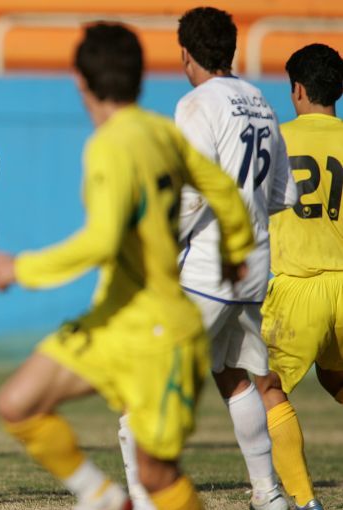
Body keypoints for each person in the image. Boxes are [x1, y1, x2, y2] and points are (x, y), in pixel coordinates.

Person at [0, 22, 254, 510]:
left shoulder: (110, 144)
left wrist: (20, 270)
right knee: (17, 403)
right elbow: (222, 189)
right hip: (117, 319)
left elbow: (102, 240)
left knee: (156, 473)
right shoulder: (161, 130)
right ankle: (104, 498)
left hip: (161, 336)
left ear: (80, 80)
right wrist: (235, 250)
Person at [118, 7, 296, 510]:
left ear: (185, 53)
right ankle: (268, 494)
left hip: (208, 269)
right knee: (235, 377)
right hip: (254, 267)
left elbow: (193, 192)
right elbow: (284, 193)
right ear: (231, 49)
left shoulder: (197, 103)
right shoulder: (260, 101)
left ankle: (144, 500)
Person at [254, 43, 343, 510]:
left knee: (265, 388)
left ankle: (305, 501)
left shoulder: (276, 140)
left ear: (299, 90)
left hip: (296, 288)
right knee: (335, 379)